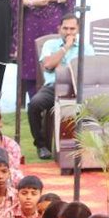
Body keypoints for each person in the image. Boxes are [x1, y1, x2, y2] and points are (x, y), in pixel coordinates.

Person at [15, 0, 76, 96]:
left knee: (54, 55)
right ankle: (33, 100)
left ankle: (53, 97)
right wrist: (33, 2)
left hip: (54, 22)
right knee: (30, 60)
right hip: (31, 23)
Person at [28, 15, 80, 160]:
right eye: (65, 28)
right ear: (59, 29)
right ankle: (41, 145)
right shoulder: (50, 44)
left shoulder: (86, 47)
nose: (68, 32)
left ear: (78, 29)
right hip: (54, 87)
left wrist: (60, 65)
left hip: (77, 88)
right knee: (34, 104)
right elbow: (49, 65)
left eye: (72, 29)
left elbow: (87, 69)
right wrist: (66, 47)